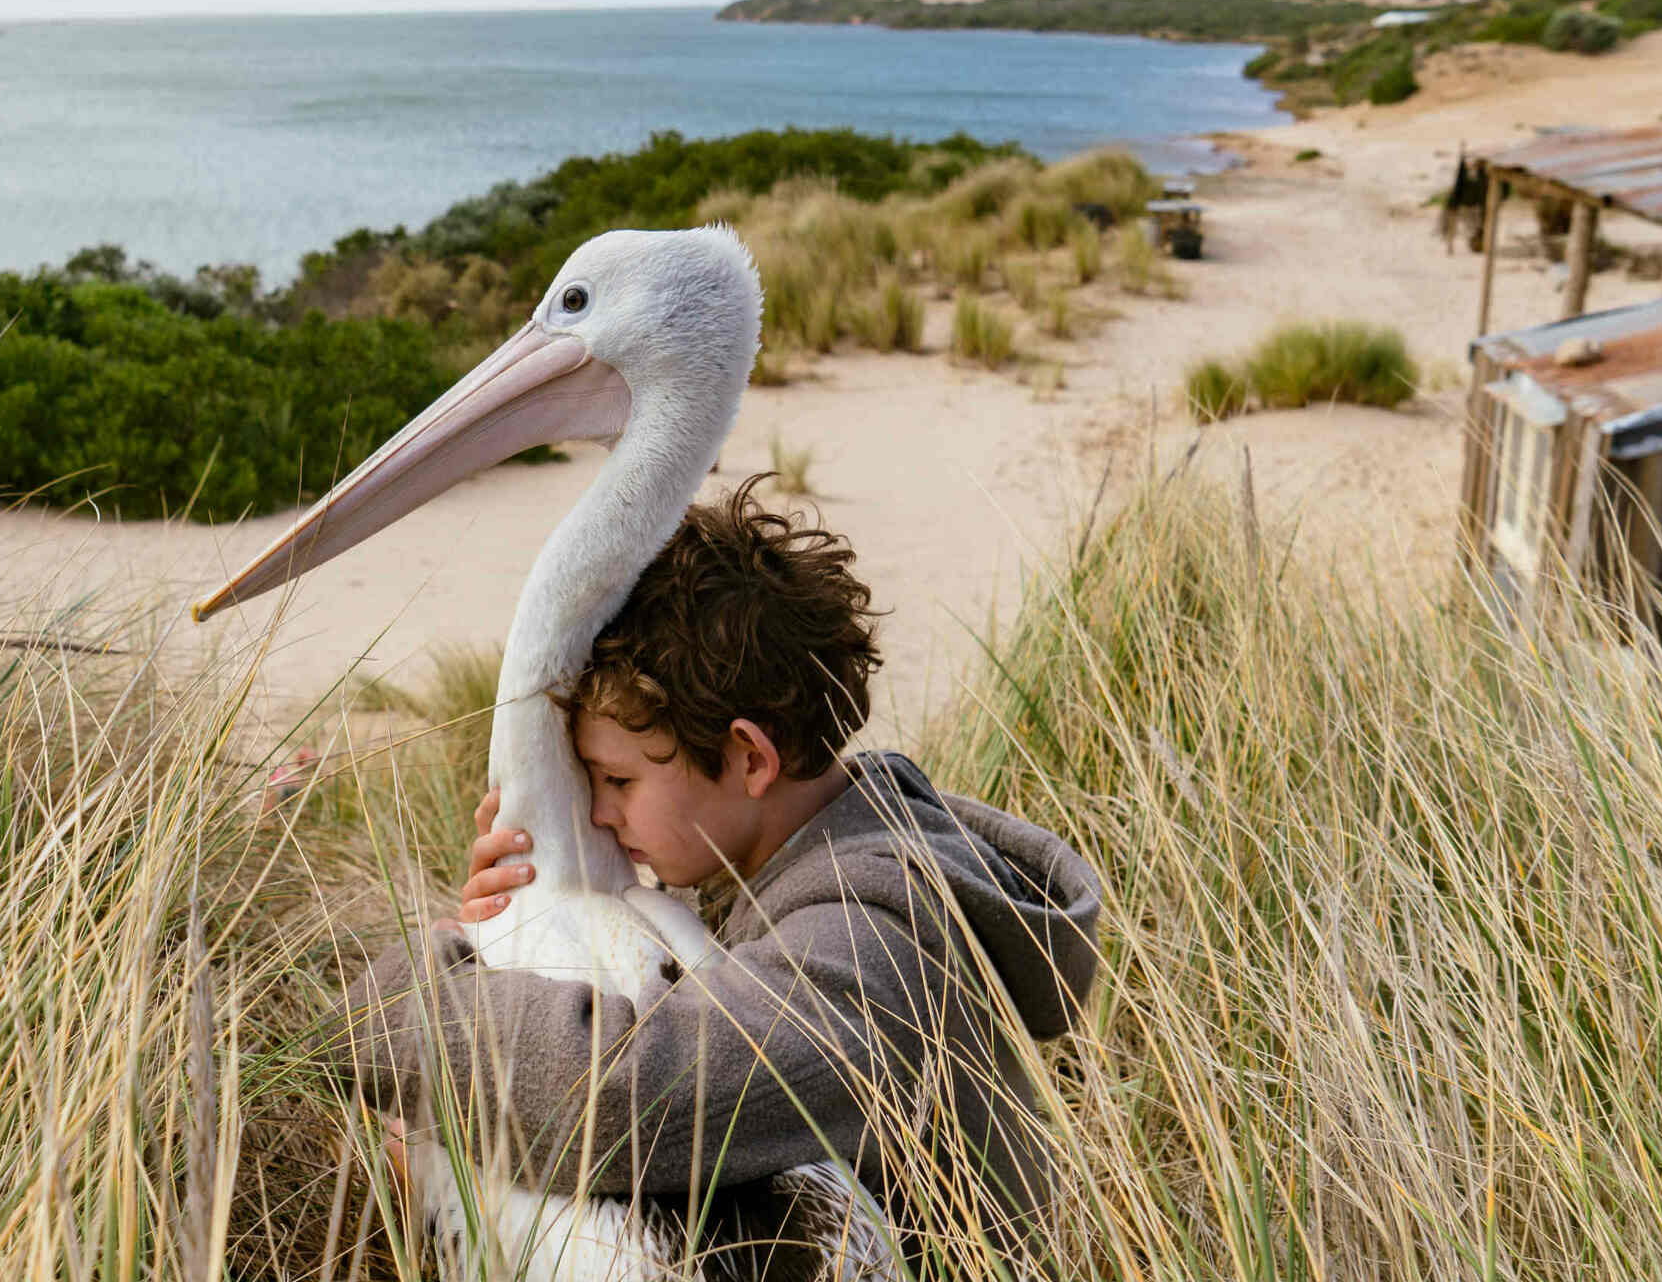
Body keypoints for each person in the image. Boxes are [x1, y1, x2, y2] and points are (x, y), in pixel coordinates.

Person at [339, 479, 1103, 1253]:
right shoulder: (794, 863)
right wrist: (524, 925)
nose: (600, 814)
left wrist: (406, 1006)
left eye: (620, 781)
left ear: (749, 756)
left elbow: (623, 1102)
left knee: (419, 1137)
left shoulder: (869, 945)